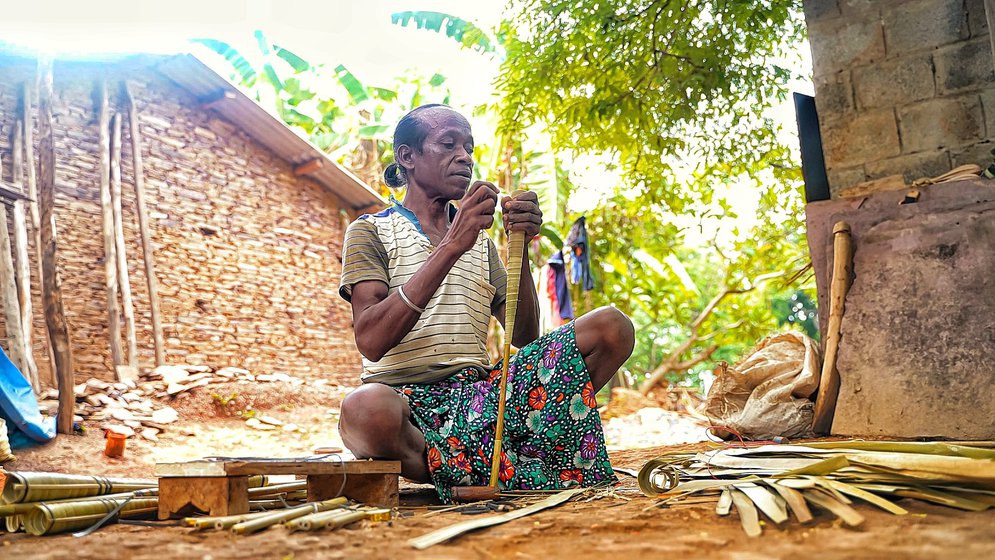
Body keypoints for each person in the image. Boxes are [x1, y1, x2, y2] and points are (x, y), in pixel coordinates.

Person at [337, 104, 634, 502]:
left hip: (484, 403)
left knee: (612, 327)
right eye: (448, 144)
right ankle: (490, 464)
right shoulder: (370, 231)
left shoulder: (480, 242)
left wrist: (519, 246)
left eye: (469, 148)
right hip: (407, 405)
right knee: (364, 411)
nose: (464, 156)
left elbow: (525, 336)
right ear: (407, 157)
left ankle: (474, 466)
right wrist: (451, 245)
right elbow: (371, 339)